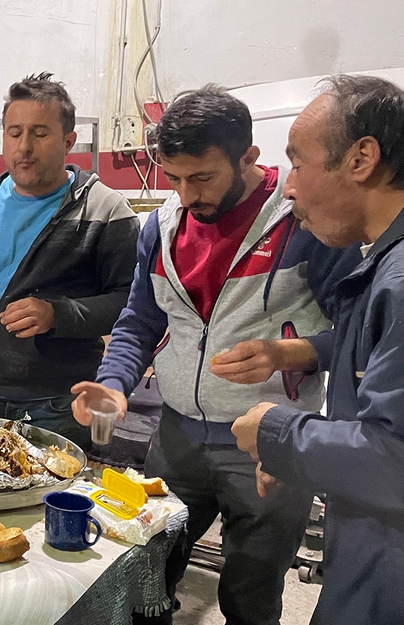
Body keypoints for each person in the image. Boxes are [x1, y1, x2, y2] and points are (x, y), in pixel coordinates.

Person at [71, 86, 360, 624]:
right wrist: (114, 383)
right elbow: (139, 320)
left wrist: (288, 353)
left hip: (270, 445)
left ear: (248, 157)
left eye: (202, 178)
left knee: (251, 591)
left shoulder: (303, 221)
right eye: (173, 177)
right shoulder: (160, 227)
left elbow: (360, 337)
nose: (185, 195)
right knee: (144, 570)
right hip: (176, 437)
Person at [231, 74, 404, 624]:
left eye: (299, 164)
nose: (288, 187)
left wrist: (279, 431)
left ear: (361, 159)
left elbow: (395, 459)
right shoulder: (374, 264)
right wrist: (305, 457)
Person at [0, 72, 138, 450]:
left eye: (40, 133)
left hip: (61, 403)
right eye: (14, 132)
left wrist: (57, 314)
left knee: (52, 504)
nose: (23, 146)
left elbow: (130, 301)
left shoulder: (105, 209)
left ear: (68, 141)